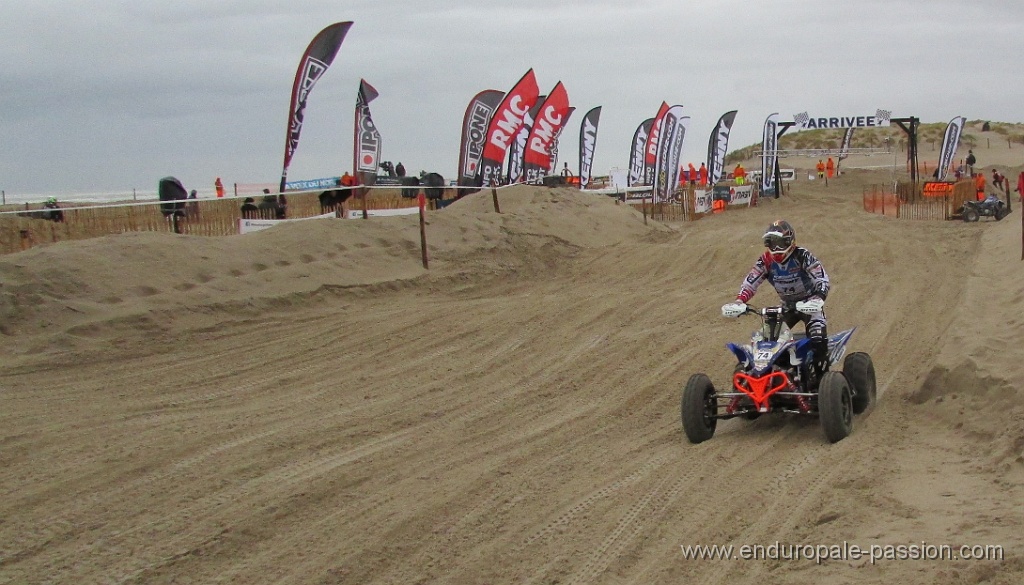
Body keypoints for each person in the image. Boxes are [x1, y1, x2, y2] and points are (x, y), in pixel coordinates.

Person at [722, 220, 832, 375]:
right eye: (773, 244)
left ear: (790, 241)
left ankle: (823, 383)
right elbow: (751, 281)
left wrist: (818, 298)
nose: (777, 249)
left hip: (810, 305)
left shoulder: (802, 256)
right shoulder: (766, 260)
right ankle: (775, 378)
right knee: (767, 343)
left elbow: (821, 279)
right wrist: (740, 300)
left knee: (818, 341)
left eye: (781, 243)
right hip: (787, 306)